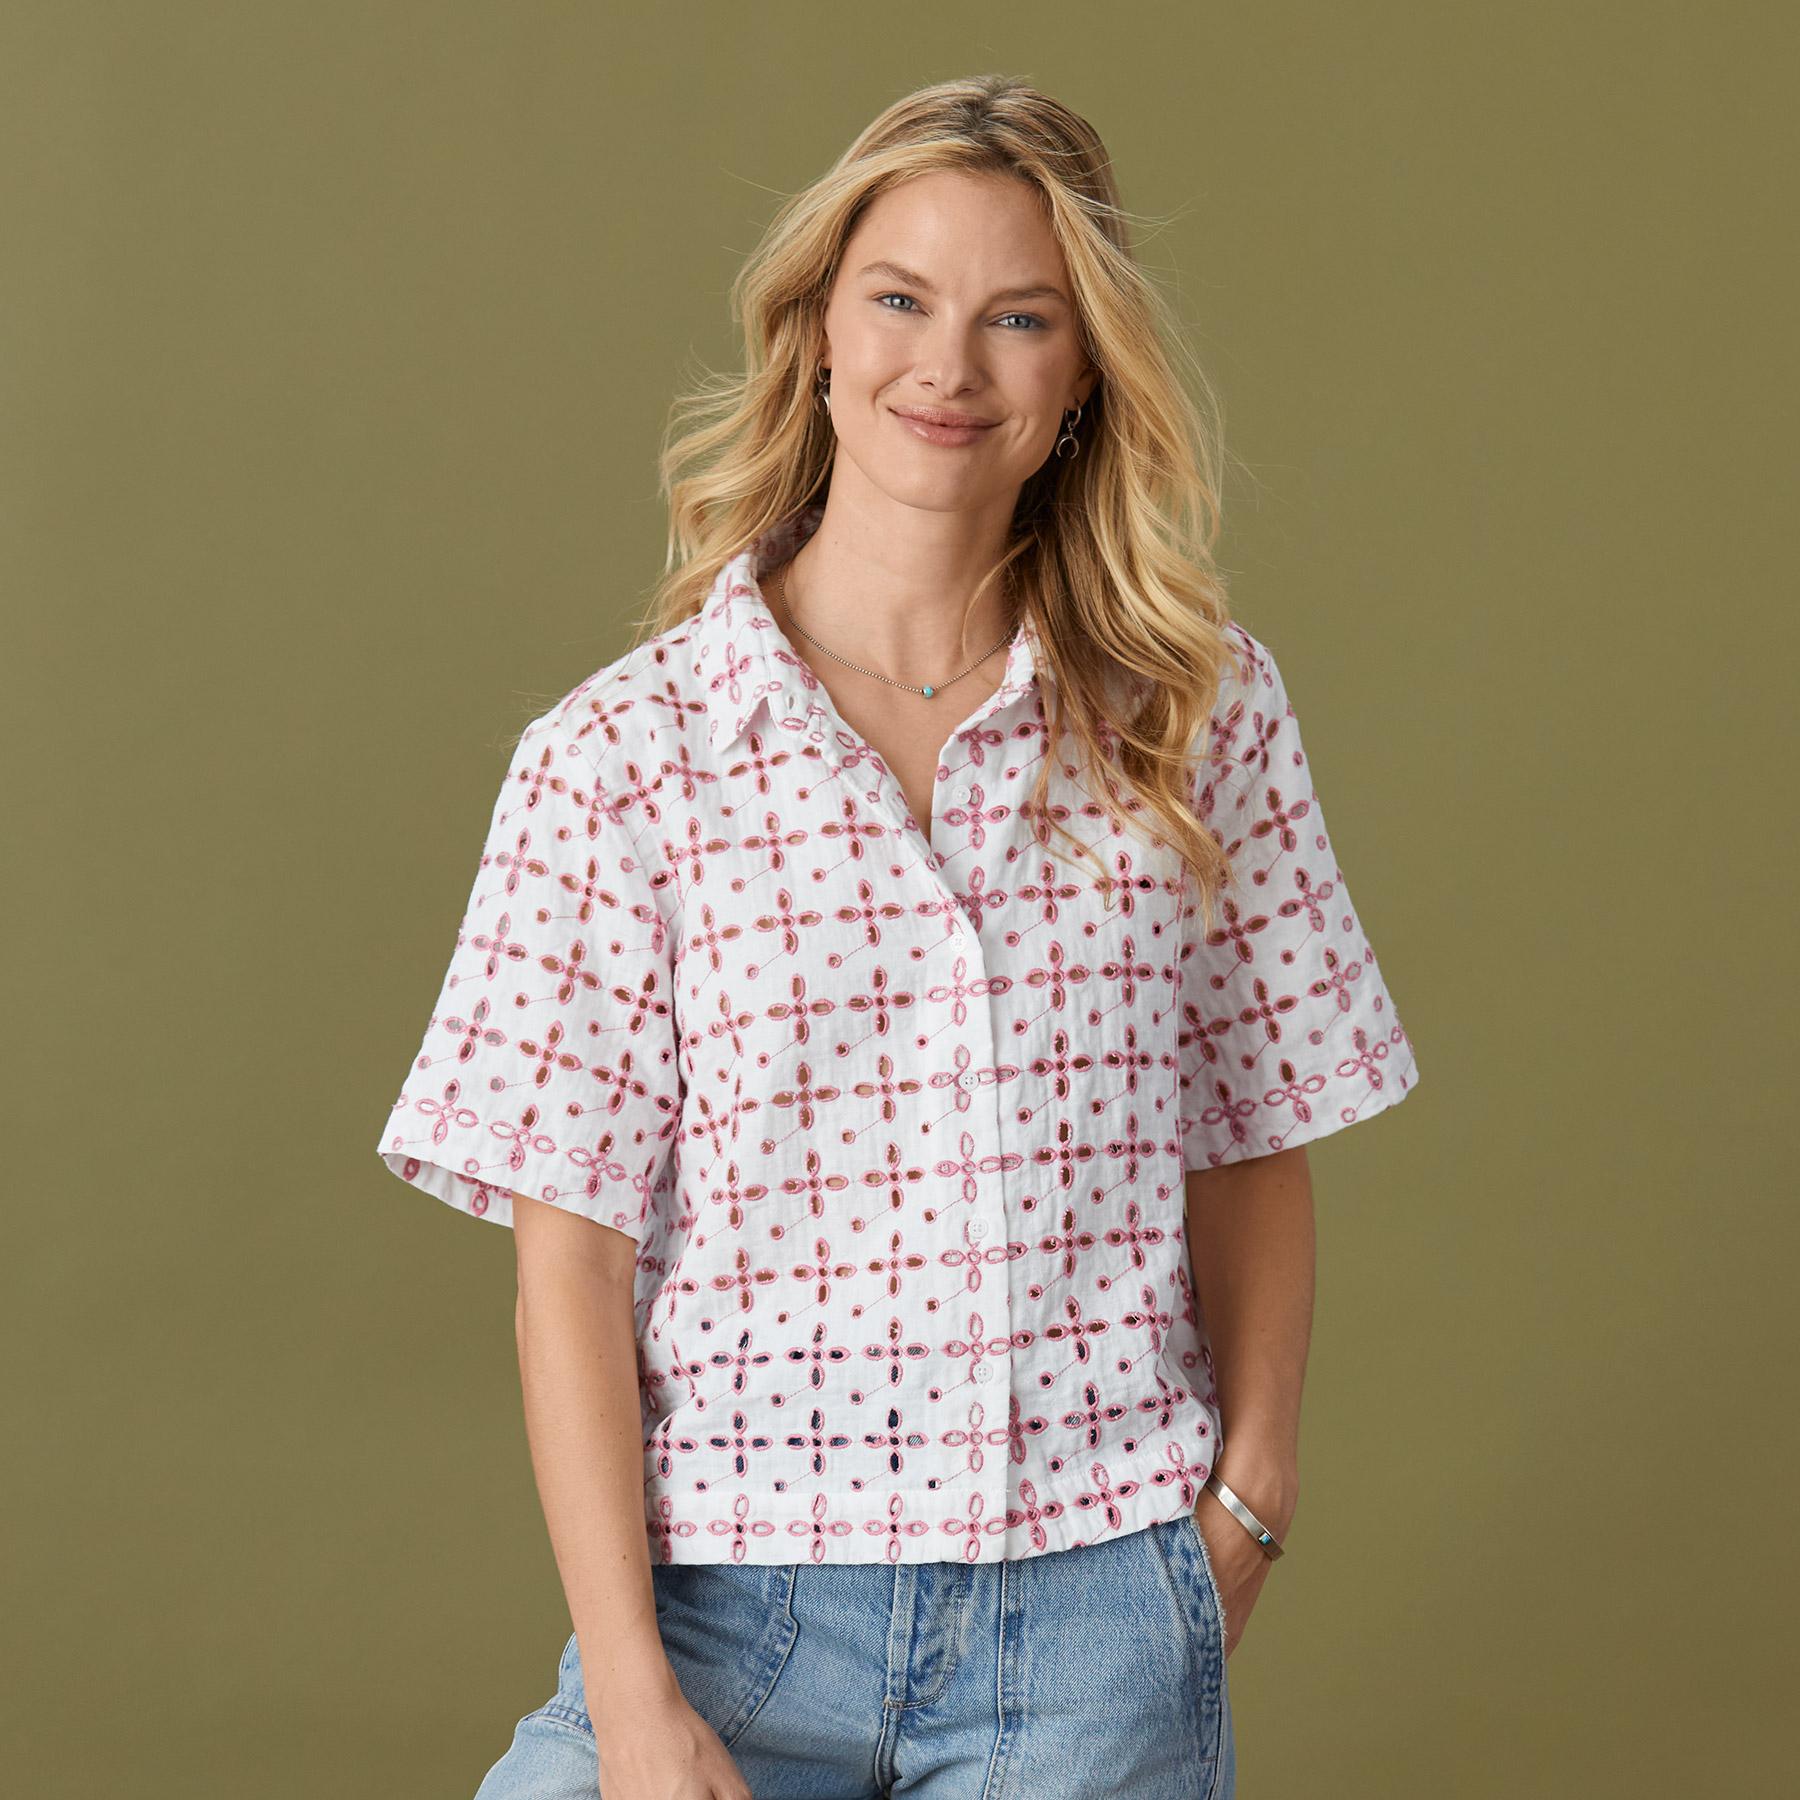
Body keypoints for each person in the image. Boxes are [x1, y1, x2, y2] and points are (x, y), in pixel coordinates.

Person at [374, 73, 1421, 1800]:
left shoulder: (1197, 717)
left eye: (1020, 317)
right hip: (732, 1607)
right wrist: (631, 1698)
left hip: (1098, 1618)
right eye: (900, 299)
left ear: (1083, 377)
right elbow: (569, 1266)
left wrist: (1251, 1500)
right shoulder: (622, 760)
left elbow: (1253, 1134)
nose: (951, 366)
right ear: (816, 334)